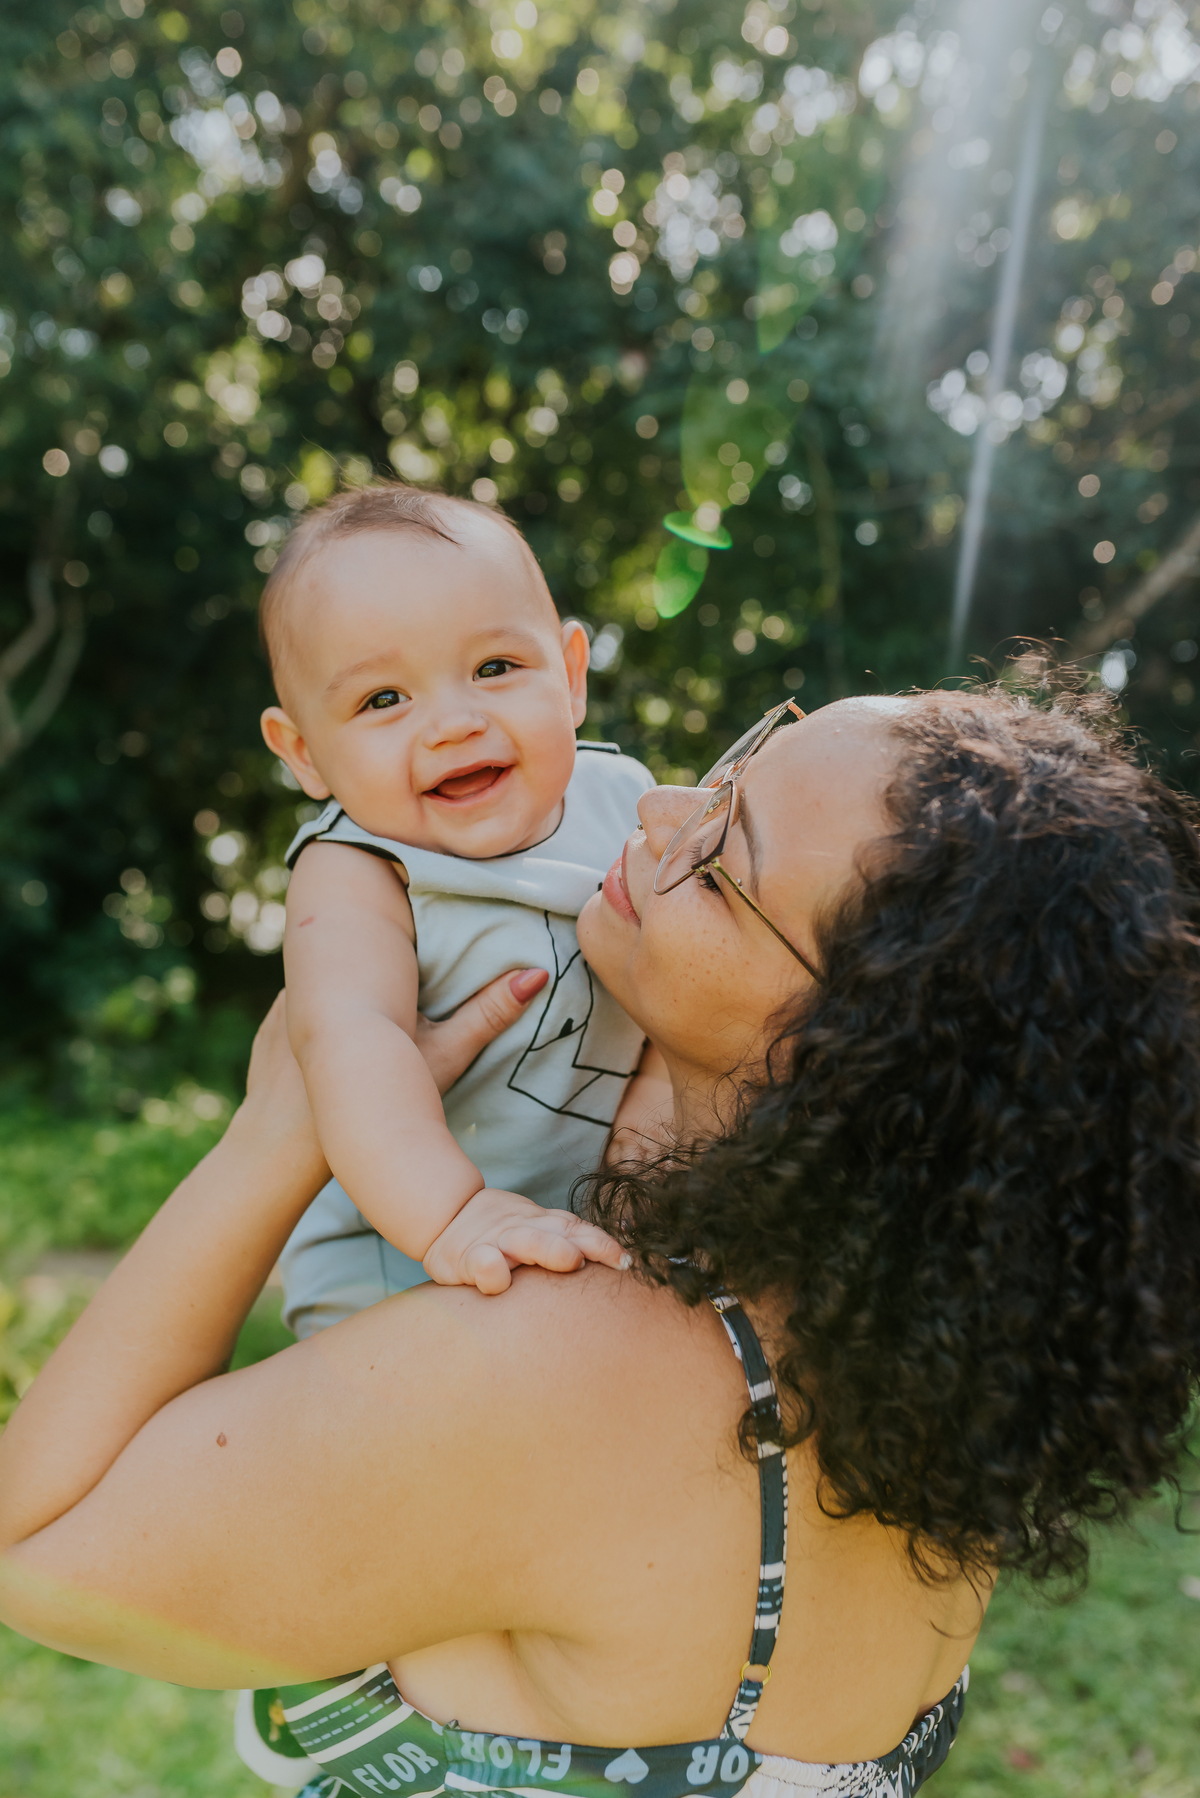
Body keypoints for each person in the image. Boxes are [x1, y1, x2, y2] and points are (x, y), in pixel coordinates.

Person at [2, 688, 1198, 1798]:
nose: (661, 810)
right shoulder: (943, 1364)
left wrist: (282, 1125)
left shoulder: (551, 1377)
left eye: (720, 864)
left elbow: (35, 1548)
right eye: (734, 769)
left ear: (852, 1062)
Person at [257, 482, 668, 1321]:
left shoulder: (624, 797)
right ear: (304, 753)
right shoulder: (357, 870)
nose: (453, 723)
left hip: (586, 1220)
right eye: (383, 699)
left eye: (493, 668)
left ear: (571, 675)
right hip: (401, 1261)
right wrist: (453, 1213)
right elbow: (352, 1042)